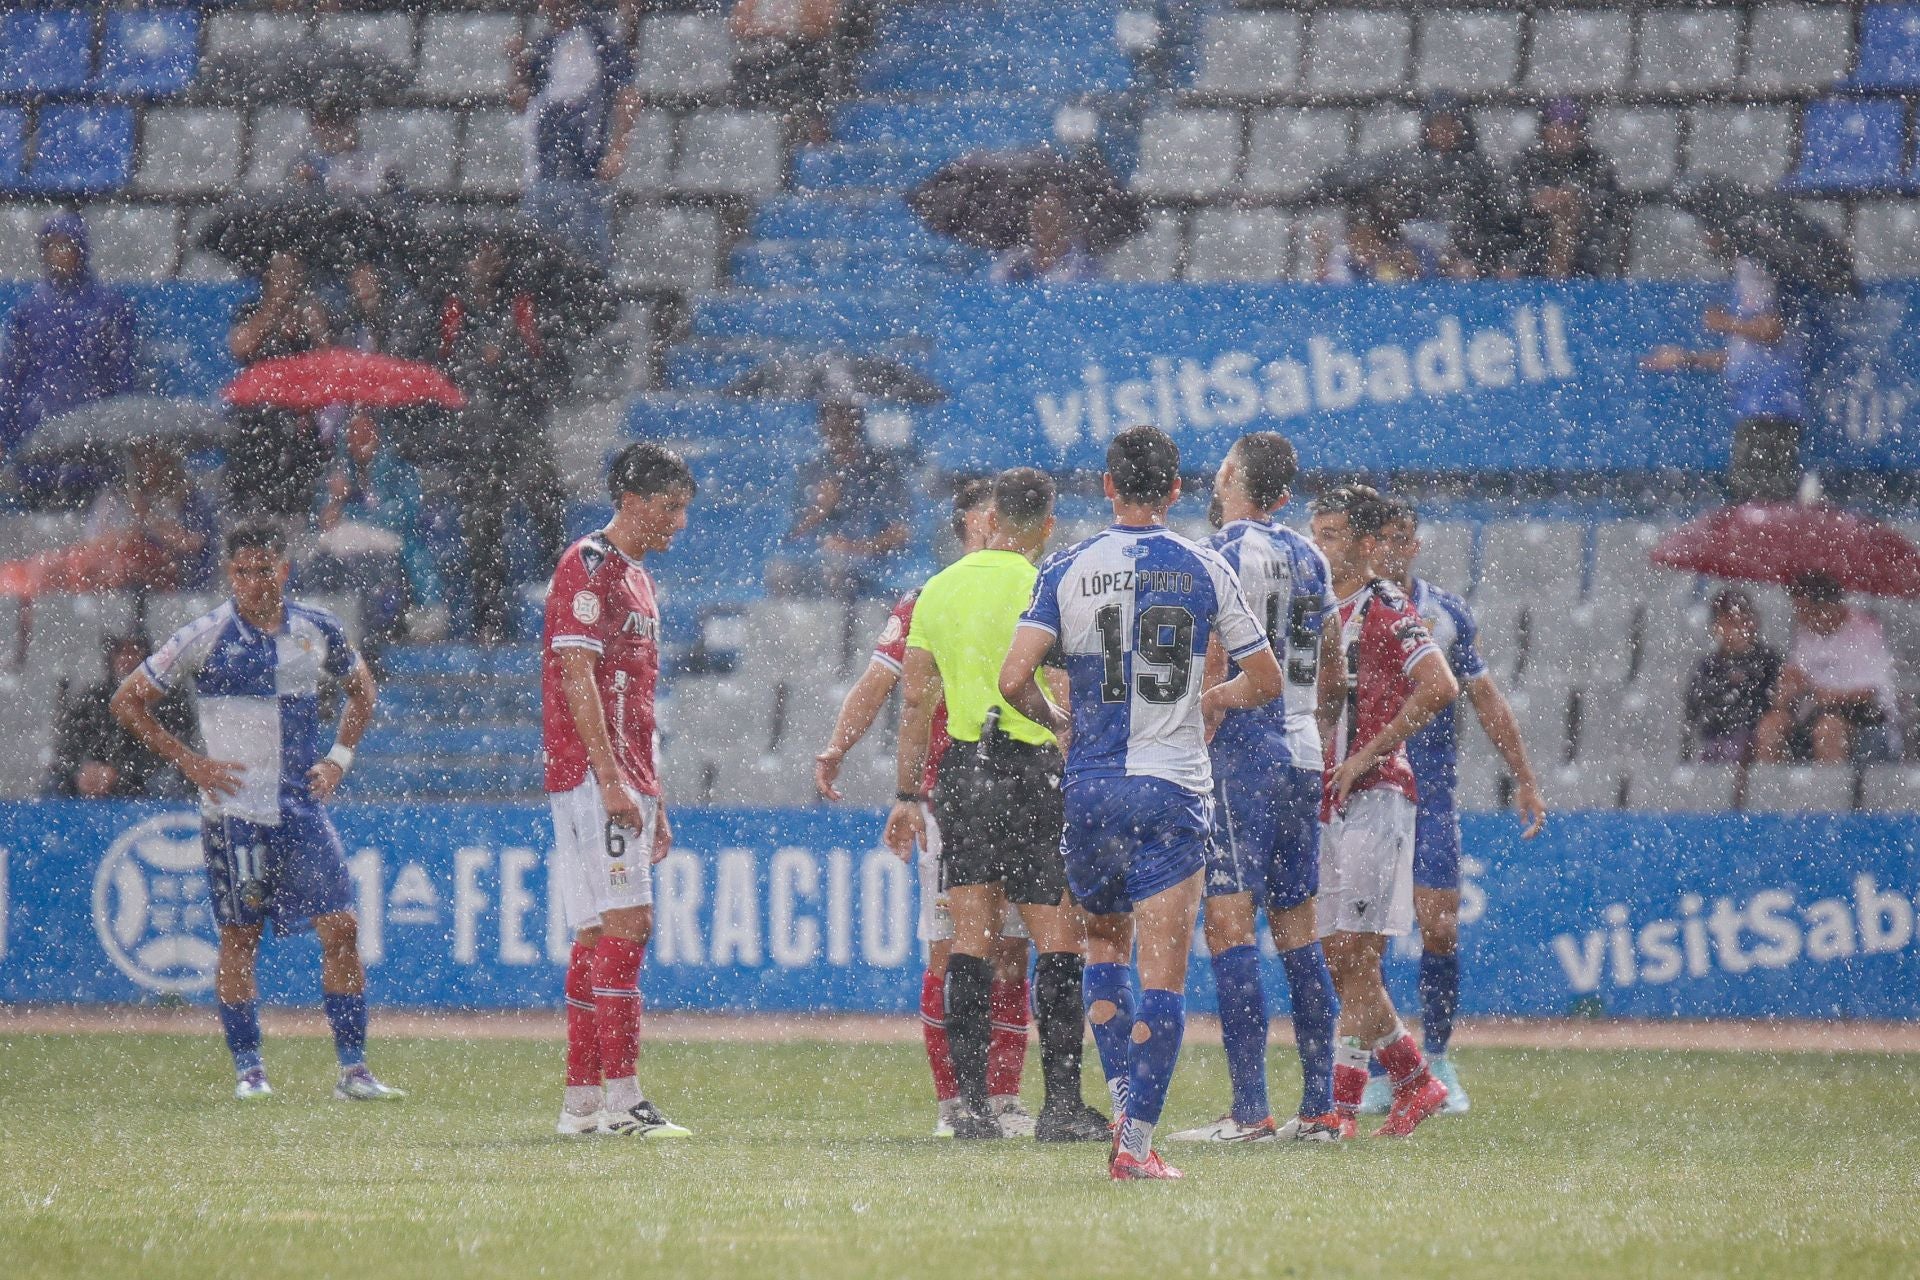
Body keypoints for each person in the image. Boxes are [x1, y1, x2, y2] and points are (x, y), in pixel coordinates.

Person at [1000, 426, 1286, 1180]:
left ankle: (1123, 1103)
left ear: (1106, 485)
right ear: (1175, 490)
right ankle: (1133, 1147)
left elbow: (1011, 679)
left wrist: (1059, 724)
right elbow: (1267, 682)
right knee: (1163, 976)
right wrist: (1204, 700)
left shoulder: (1066, 567)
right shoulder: (1203, 565)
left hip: (1091, 789)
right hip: (1170, 789)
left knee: (1102, 948)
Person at [109, 522, 402, 1103]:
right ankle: (249, 1070)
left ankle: (354, 1071)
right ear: (229, 574)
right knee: (240, 938)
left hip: (299, 807)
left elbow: (362, 692)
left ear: (284, 571)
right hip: (234, 813)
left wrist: (339, 758)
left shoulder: (317, 630)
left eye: (264, 569)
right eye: (242, 571)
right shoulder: (206, 633)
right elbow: (127, 701)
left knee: (341, 928)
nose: (253, 581)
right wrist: (191, 761)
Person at [882, 467, 1109, 1144]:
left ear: (988, 519)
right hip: (1033, 767)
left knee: (971, 941)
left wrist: (906, 794)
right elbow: (1063, 686)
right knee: (1056, 940)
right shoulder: (1047, 582)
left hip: (963, 775)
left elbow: (916, 702)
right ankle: (1061, 1104)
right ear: (1045, 524)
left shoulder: (937, 590)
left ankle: (973, 1107)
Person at [813, 478, 1035, 1137]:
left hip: (1023, 794)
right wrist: (838, 747)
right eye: (978, 520)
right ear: (968, 525)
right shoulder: (927, 600)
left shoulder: (1034, 591)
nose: (988, 529)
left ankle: (1004, 1098)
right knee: (952, 951)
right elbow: (884, 684)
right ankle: (953, 1103)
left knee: (1013, 952)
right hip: (952, 798)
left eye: (995, 519)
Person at [1165, 432, 1341, 1146]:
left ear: (1233, 474)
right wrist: (1313, 730)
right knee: (1299, 929)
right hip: (1300, 747)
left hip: (1242, 746)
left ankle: (1249, 1113)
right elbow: (1332, 663)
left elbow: (1218, 647)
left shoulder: (1223, 552)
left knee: (1230, 923)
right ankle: (1322, 1110)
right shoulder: (1311, 555)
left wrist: (1207, 711)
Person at [1358, 497, 1547, 1117]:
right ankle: (1385, 1064)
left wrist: (1522, 775)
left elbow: (1485, 697)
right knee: (1367, 938)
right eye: (1378, 538)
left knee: (1438, 926)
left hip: (1430, 794)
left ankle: (1437, 1055)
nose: (1388, 548)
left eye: (1398, 539)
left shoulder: (1445, 614)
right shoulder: (1349, 610)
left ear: (1413, 544)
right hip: (1368, 788)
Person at [546, 442, 696, 1139]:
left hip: (624, 773)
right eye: (669, 508)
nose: (679, 523)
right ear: (633, 501)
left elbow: (639, 697)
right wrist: (609, 778)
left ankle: (581, 1104)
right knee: (628, 926)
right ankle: (626, 1099)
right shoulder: (589, 565)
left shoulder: (636, 577)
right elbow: (578, 673)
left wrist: (651, 797)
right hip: (592, 774)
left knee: (598, 930)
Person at [1308, 484, 1459, 1139]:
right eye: (1316, 532)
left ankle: (1341, 1111)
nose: (1320, 545)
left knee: (1355, 955)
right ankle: (1413, 1078)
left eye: (1334, 535)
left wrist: (1366, 754)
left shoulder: (1386, 605)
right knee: (1340, 955)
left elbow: (1441, 687)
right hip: (1330, 801)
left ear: (1369, 545)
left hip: (1377, 799)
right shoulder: (1319, 605)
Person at [439, 235, 569, 643]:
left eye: (492, 258)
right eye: (479, 257)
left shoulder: (522, 308)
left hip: (521, 427)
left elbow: (548, 369)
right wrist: (479, 368)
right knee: (482, 524)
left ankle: (563, 599)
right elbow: (444, 368)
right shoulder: (455, 310)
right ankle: (489, 617)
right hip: (478, 435)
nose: (484, 267)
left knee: (547, 500)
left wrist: (507, 364)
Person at [1643, 249, 1810, 501]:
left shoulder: (1762, 277)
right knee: (1752, 499)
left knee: (1761, 501)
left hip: (1772, 409)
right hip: (1753, 410)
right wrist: (1687, 359)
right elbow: (1741, 356)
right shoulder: (1743, 286)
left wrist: (1725, 322)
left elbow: (1773, 329)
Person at [0, 213, 138, 461]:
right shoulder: (29, 310)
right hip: (36, 431)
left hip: (92, 432)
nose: (60, 253)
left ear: (81, 248)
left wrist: (120, 425)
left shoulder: (109, 307)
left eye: (66, 244)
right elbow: (12, 374)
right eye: (52, 245)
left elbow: (121, 372)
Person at [307, 410, 443, 657]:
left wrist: (351, 512)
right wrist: (336, 499)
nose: (360, 440)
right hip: (344, 550)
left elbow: (403, 514)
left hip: (391, 547)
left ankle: (373, 638)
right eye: (354, 433)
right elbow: (321, 521)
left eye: (366, 432)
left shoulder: (398, 470)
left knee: (374, 572)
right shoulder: (338, 475)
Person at [513, 0, 630, 265]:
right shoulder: (544, 44)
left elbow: (627, 96)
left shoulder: (599, 38)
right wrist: (516, 66)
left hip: (584, 177)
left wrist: (617, 150)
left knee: (588, 266)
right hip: (542, 176)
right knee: (535, 267)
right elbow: (521, 103)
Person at [769, 400, 913, 601]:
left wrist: (856, 548)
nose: (839, 432)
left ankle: (845, 625)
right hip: (821, 565)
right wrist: (821, 508)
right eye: (832, 425)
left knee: (837, 573)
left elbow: (903, 531)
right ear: (823, 428)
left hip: (874, 565)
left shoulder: (882, 470)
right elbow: (792, 535)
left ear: (857, 424)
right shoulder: (813, 471)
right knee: (780, 572)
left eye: (845, 423)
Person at [1755, 572, 1901, 765]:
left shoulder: (1867, 630)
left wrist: (1821, 694)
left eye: (1806, 612)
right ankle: (1773, 789)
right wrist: (1786, 692)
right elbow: (1792, 689)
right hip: (1813, 715)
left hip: (1864, 718)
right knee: (1770, 726)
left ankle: (1829, 791)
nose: (1801, 619)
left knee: (1828, 729)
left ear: (1828, 606)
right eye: (1798, 611)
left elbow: (1870, 694)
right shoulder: (1804, 633)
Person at [227, 250, 332, 516]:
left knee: (296, 504)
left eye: (291, 273)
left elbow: (329, 366)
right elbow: (240, 346)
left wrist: (316, 331)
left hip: (299, 426)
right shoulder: (252, 309)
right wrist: (273, 310)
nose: (286, 279)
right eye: (279, 272)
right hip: (257, 422)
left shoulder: (311, 311)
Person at [48, 631, 191, 799]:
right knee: (54, 783)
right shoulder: (94, 698)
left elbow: (175, 751)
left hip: (144, 783)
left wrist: (119, 775)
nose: (127, 659)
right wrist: (82, 771)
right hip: (97, 785)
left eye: (134, 652)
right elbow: (68, 747)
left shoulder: (167, 700)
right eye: (121, 652)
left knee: (167, 782)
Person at [1507, 98, 1623, 279]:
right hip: (1531, 256)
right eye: (1556, 126)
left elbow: (1608, 208)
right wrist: (1534, 202)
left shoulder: (1595, 165)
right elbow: (1507, 207)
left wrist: (1574, 201)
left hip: (1584, 260)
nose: (1562, 134)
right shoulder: (1527, 164)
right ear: (1544, 129)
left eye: (1569, 128)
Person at [82, 441, 219, 592]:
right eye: (140, 458)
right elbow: (94, 544)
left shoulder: (192, 500)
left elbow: (193, 543)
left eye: (155, 458)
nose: (148, 467)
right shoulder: (113, 498)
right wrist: (127, 539)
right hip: (120, 584)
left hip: (182, 587)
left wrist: (148, 518)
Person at [1684, 589, 1782, 764]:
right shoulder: (1709, 666)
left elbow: (1775, 700)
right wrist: (1726, 684)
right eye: (1729, 622)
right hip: (1717, 742)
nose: (1738, 628)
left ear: (1754, 622)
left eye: (1743, 620)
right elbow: (1697, 705)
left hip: (1758, 743)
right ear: (1716, 628)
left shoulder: (1769, 661)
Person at [988, 184, 1098, 284]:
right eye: (1042, 215)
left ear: (1067, 222)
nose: (1047, 221)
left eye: (1052, 217)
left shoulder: (1079, 266)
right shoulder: (1016, 264)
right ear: (1032, 221)